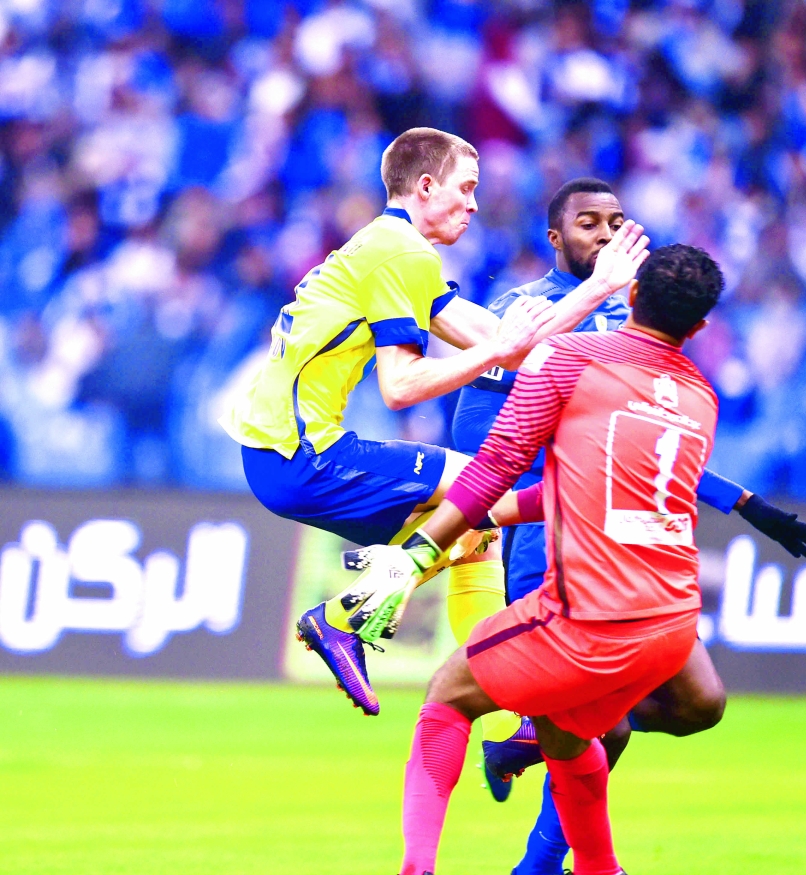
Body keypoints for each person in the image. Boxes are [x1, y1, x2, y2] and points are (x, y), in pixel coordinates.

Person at [450, 179, 806, 875]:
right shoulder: (526, 312)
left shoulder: (637, 321)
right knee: (606, 726)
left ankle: (529, 764)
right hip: (553, 539)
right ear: (555, 238)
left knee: (658, 714)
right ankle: (539, 854)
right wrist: (538, 488)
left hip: (630, 546)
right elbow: (480, 436)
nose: (604, 233)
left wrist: (744, 502)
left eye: (615, 221)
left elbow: (654, 444)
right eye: (587, 222)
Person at [219, 129, 650, 719]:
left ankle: (507, 706)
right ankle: (344, 617)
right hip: (301, 455)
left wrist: (596, 289)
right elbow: (401, 387)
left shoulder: (393, 248)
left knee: (475, 534)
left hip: (280, 453)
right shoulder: (402, 254)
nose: (473, 204)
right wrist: (500, 349)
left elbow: (511, 345)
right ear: (426, 186)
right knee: (483, 493)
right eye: (465, 188)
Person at [364, 243, 727, 875]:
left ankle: (415, 869)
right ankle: (597, 868)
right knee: (566, 731)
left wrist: (417, 555)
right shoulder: (701, 398)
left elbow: (496, 463)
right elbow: (596, 483)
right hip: (673, 626)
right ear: (698, 328)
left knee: (448, 695)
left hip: (590, 616)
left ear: (630, 295)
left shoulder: (570, 359)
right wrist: (503, 514)